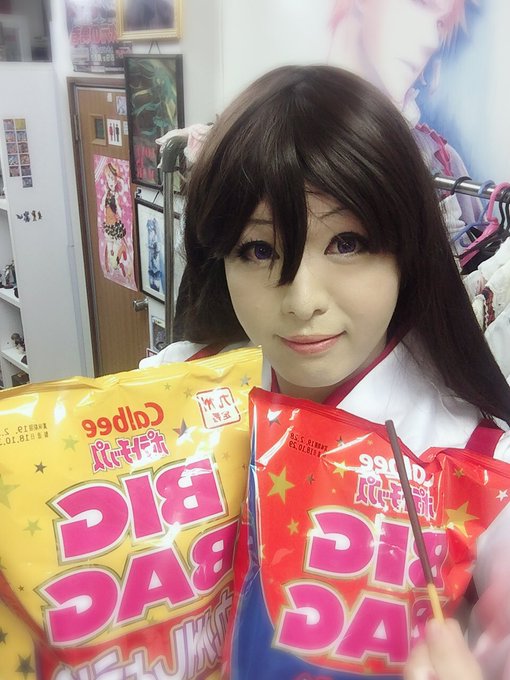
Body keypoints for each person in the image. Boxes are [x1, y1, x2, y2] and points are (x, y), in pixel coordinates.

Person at [141, 64, 510, 673]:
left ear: (407, 249)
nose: (301, 300)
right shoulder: (177, 397)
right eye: (259, 249)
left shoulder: (476, 467)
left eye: (347, 243)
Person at [327, 0, 481, 247]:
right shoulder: (286, 135)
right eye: (420, 3)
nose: (432, 40)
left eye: (440, 24)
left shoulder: (442, 160)